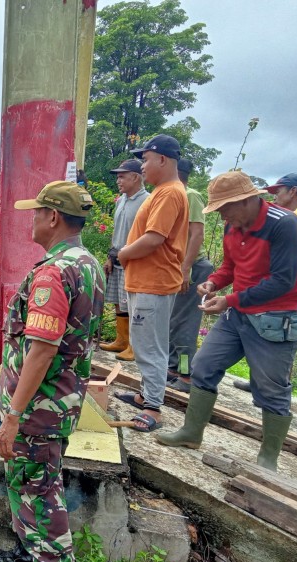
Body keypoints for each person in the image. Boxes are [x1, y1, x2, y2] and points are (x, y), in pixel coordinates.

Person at [0, 181, 104, 562]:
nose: (32, 219)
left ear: (53, 217)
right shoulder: (88, 263)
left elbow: (42, 347)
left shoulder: (53, 271)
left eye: (36, 212)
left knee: (39, 488)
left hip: (39, 406)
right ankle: (29, 556)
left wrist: (14, 413)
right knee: (28, 480)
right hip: (60, 399)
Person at [157, 172, 297, 471]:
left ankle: (268, 459)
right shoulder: (233, 224)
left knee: (272, 388)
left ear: (248, 200)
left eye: (226, 208)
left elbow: (282, 280)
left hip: (278, 317)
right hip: (239, 312)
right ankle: (191, 432)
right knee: (203, 366)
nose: (223, 214)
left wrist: (229, 300)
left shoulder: (284, 225)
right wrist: (214, 283)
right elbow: (230, 266)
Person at [115, 134, 189, 432]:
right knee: (145, 342)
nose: (143, 166)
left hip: (153, 282)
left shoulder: (170, 193)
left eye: (145, 160)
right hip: (145, 280)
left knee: (150, 347)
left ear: (162, 159)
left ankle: (153, 408)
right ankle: (146, 395)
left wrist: (123, 252)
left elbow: (154, 239)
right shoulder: (163, 191)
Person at [232, 173, 297, 393]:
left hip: (293, 287)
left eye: (278, 191)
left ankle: (271, 383)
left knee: (282, 342)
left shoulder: (295, 216)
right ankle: (260, 380)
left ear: (293, 191)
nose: (274, 197)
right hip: (286, 282)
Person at [167, 159, 215, 392]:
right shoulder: (173, 194)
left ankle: (185, 374)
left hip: (193, 267)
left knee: (184, 324)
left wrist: (186, 269)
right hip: (179, 266)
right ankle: (173, 367)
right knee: (172, 321)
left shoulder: (190, 195)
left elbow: (197, 234)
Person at [99, 158, 148, 360]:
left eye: (122, 177)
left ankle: (134, 347)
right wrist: (110, 257)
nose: (118, 181)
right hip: (117, 257)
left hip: (134, 260)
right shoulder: (121, 201)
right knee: (119, 302)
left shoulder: (147, 201)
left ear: (135, 177)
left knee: (133, 304)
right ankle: (121, 341)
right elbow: (116, 231)